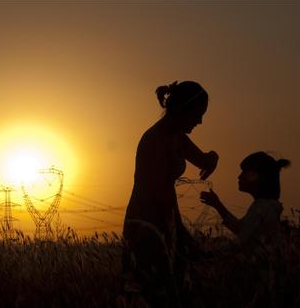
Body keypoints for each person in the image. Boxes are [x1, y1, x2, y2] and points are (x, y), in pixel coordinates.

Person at [122, 81, 218, 308]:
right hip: (147, 222)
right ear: (183, 110)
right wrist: (182, 234)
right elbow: (160, 192)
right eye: (198, 114)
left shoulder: (177, 136)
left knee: (170, 289)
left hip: (165, 219)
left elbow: (202, 159)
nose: (200, 121)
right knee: (154, 291)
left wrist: (213, 159)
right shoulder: (155, 140)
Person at [200, 151, 290, 254]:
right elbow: (242, 229)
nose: (239, 177)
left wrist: (210, 254)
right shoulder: (266, 206)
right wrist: (217, 204)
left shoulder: (261, 208)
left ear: (254, 176)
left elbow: (241, 241)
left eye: (244, 173)